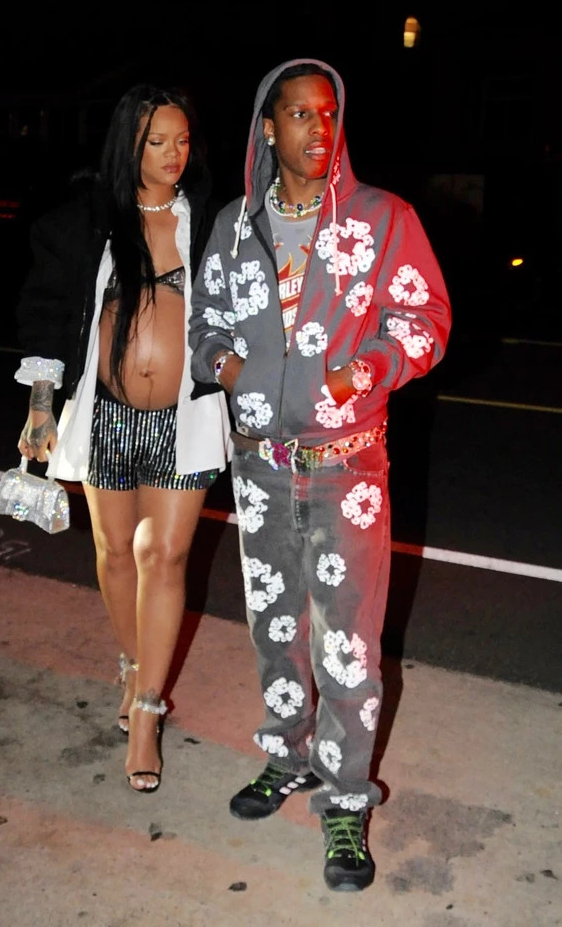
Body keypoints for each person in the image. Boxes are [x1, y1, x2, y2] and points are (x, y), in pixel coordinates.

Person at [189, 59, 451, 891]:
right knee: (273, 627)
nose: (317, 128)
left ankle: (344, 798)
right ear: (267, 127)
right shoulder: (235, 225)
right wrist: (232, 370)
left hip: (346, 471)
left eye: (328, 113)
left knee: (347, 644)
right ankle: (287, 754)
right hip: (259, 470)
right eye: (299, 114)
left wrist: (357, 373)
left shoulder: (381, 218)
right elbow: (204, 323)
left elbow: (426, 320)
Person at [15, 83, 231, 794]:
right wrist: (41, 406)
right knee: (114, 554)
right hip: (104, 410)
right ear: (127, 145)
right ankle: (135, 663)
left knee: (163, 555)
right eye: (156, 142)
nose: (173, 155)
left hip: (185, 416)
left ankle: (146, 710)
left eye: (182, 140)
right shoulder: (88, 218)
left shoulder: (210, 221)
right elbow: (48, 307)